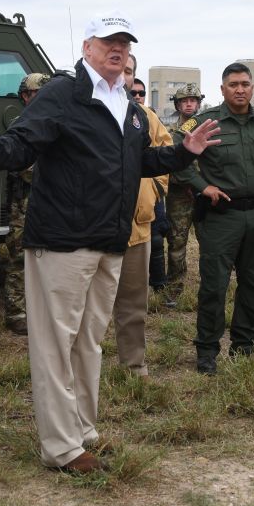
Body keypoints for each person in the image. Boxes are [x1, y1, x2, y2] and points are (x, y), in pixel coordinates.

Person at [0, 11, 220, 473]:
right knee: (56, 344)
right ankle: (61, 448)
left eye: (125, 43)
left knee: (88, 343)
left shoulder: (128, 106)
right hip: (62, 242)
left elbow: (138, 161)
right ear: (87, 48)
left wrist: (182, 152)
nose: (118, 49)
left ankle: (83, 431)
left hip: (110, 243)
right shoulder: (63, 94)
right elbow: (22, 146)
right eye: (108, 41)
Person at [174, 64, 254, 374]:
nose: (240, 89)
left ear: (252, 87)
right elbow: (179, 161)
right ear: (222, 89)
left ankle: (244, 345)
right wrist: (203, 186)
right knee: (214, 286)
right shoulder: (203, 122)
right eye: (233, 84)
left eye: (244, 84)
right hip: (219, 217)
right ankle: (207, 351)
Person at [113, 55, 172, 378]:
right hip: (92, 228)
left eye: (129, 71)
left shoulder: (144, 117)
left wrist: (155, 193)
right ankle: (79, 369)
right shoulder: (82, 112)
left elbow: (165, 154)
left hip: (137, 225)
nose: (123, 76)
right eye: (119, 69)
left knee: (133, 303)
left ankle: (133, 366)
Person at [0, 72, 50, 336]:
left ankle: (41, 310)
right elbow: (22, 165)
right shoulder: (21, 125)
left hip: (50, 204)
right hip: (24, 203)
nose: (41, 99)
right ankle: (17, 312)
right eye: (36, 94)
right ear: (25, 97)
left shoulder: (55, 122)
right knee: (20, 258)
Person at [163, 82, 205, 306]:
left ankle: (210, 287)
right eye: (184, 101)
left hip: (205, 193)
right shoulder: (170, 132)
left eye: (193, 100)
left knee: (208, 241)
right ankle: (174, 289)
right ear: (178, 105)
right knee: (176, 242)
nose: (189, 104)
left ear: (198, 103)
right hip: (179, 194)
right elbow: (168, 161)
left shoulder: (209, 126)